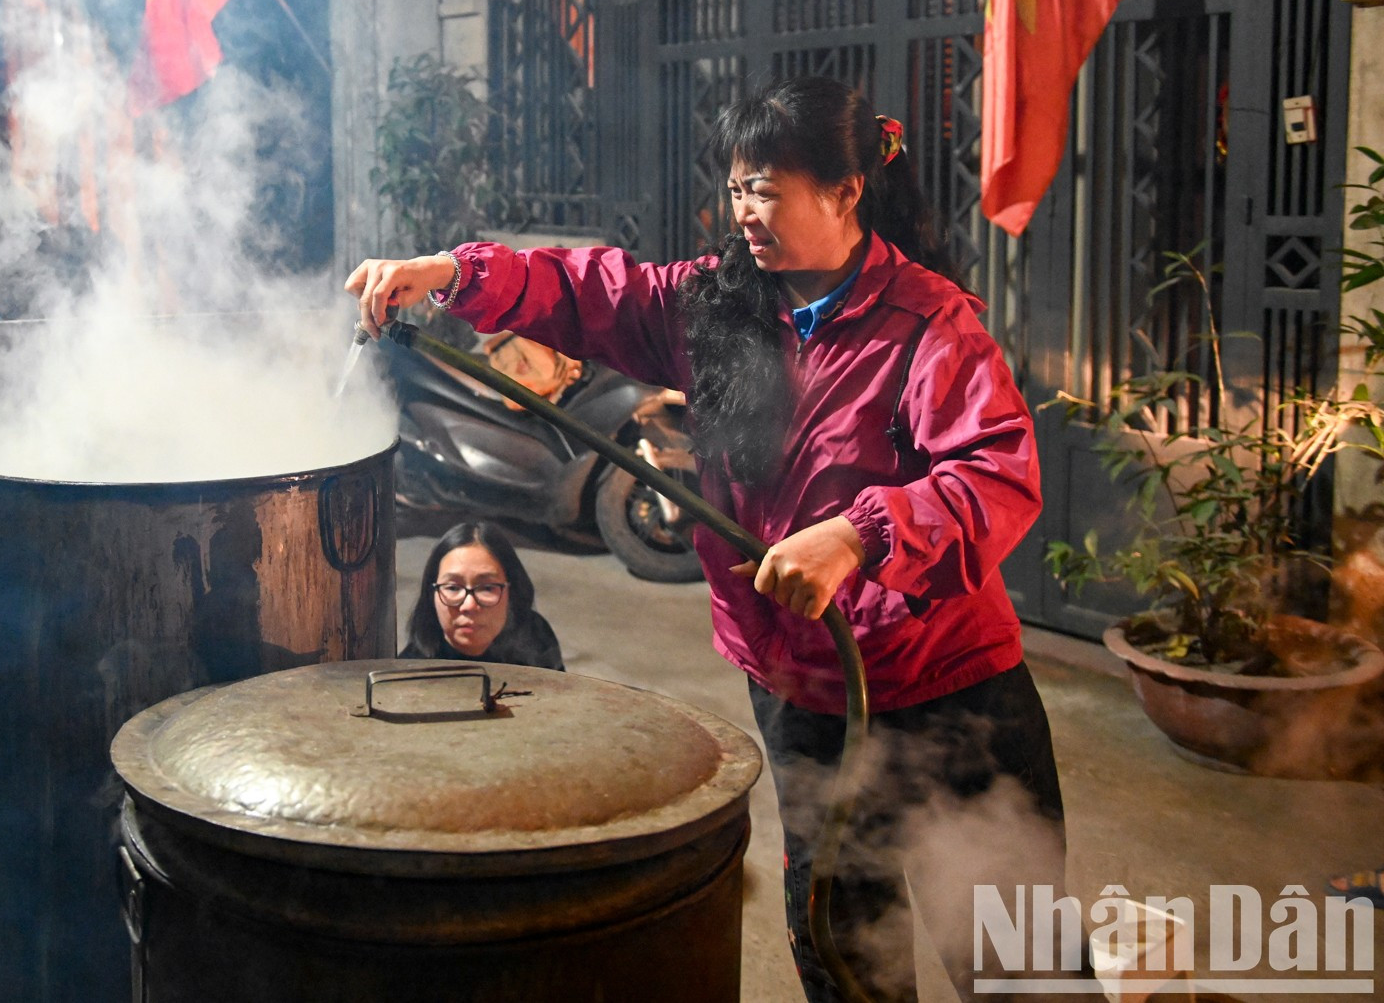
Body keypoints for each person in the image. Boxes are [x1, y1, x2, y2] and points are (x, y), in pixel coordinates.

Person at [347, 76, 1069, 1003]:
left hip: (946, 690)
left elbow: (997, 475)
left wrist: (860, 532)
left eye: (765, 190)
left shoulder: (930, 326)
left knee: (1017, 959)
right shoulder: (716, 302)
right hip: (803, 691)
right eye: (736, 189)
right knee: (844, 945)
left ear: (846, 191)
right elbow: (589, 287)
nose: (745, 213)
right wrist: (452, 272)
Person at [400, 522, 565, 671]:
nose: (469, 605)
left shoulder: (535, 637)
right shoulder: (411, 673)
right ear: (432, 595)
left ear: (512, 593)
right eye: (452, 587)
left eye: (487, 588)